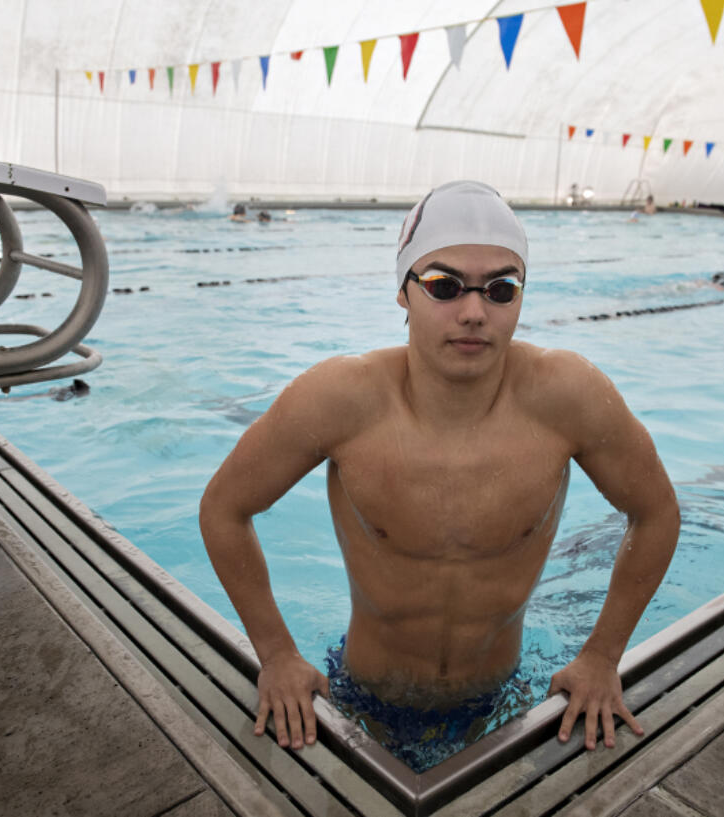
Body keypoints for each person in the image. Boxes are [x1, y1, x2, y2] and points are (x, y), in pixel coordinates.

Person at [198, 180, 680, 760]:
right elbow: (225, 510)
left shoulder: (569, 397)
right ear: (403, 291)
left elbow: (655, 514)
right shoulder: (340, 400)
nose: (474, 312)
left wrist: (602, 657)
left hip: (505, 698)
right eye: (444, 286)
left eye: (501, 288)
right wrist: (276, 655)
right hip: (362, 695)